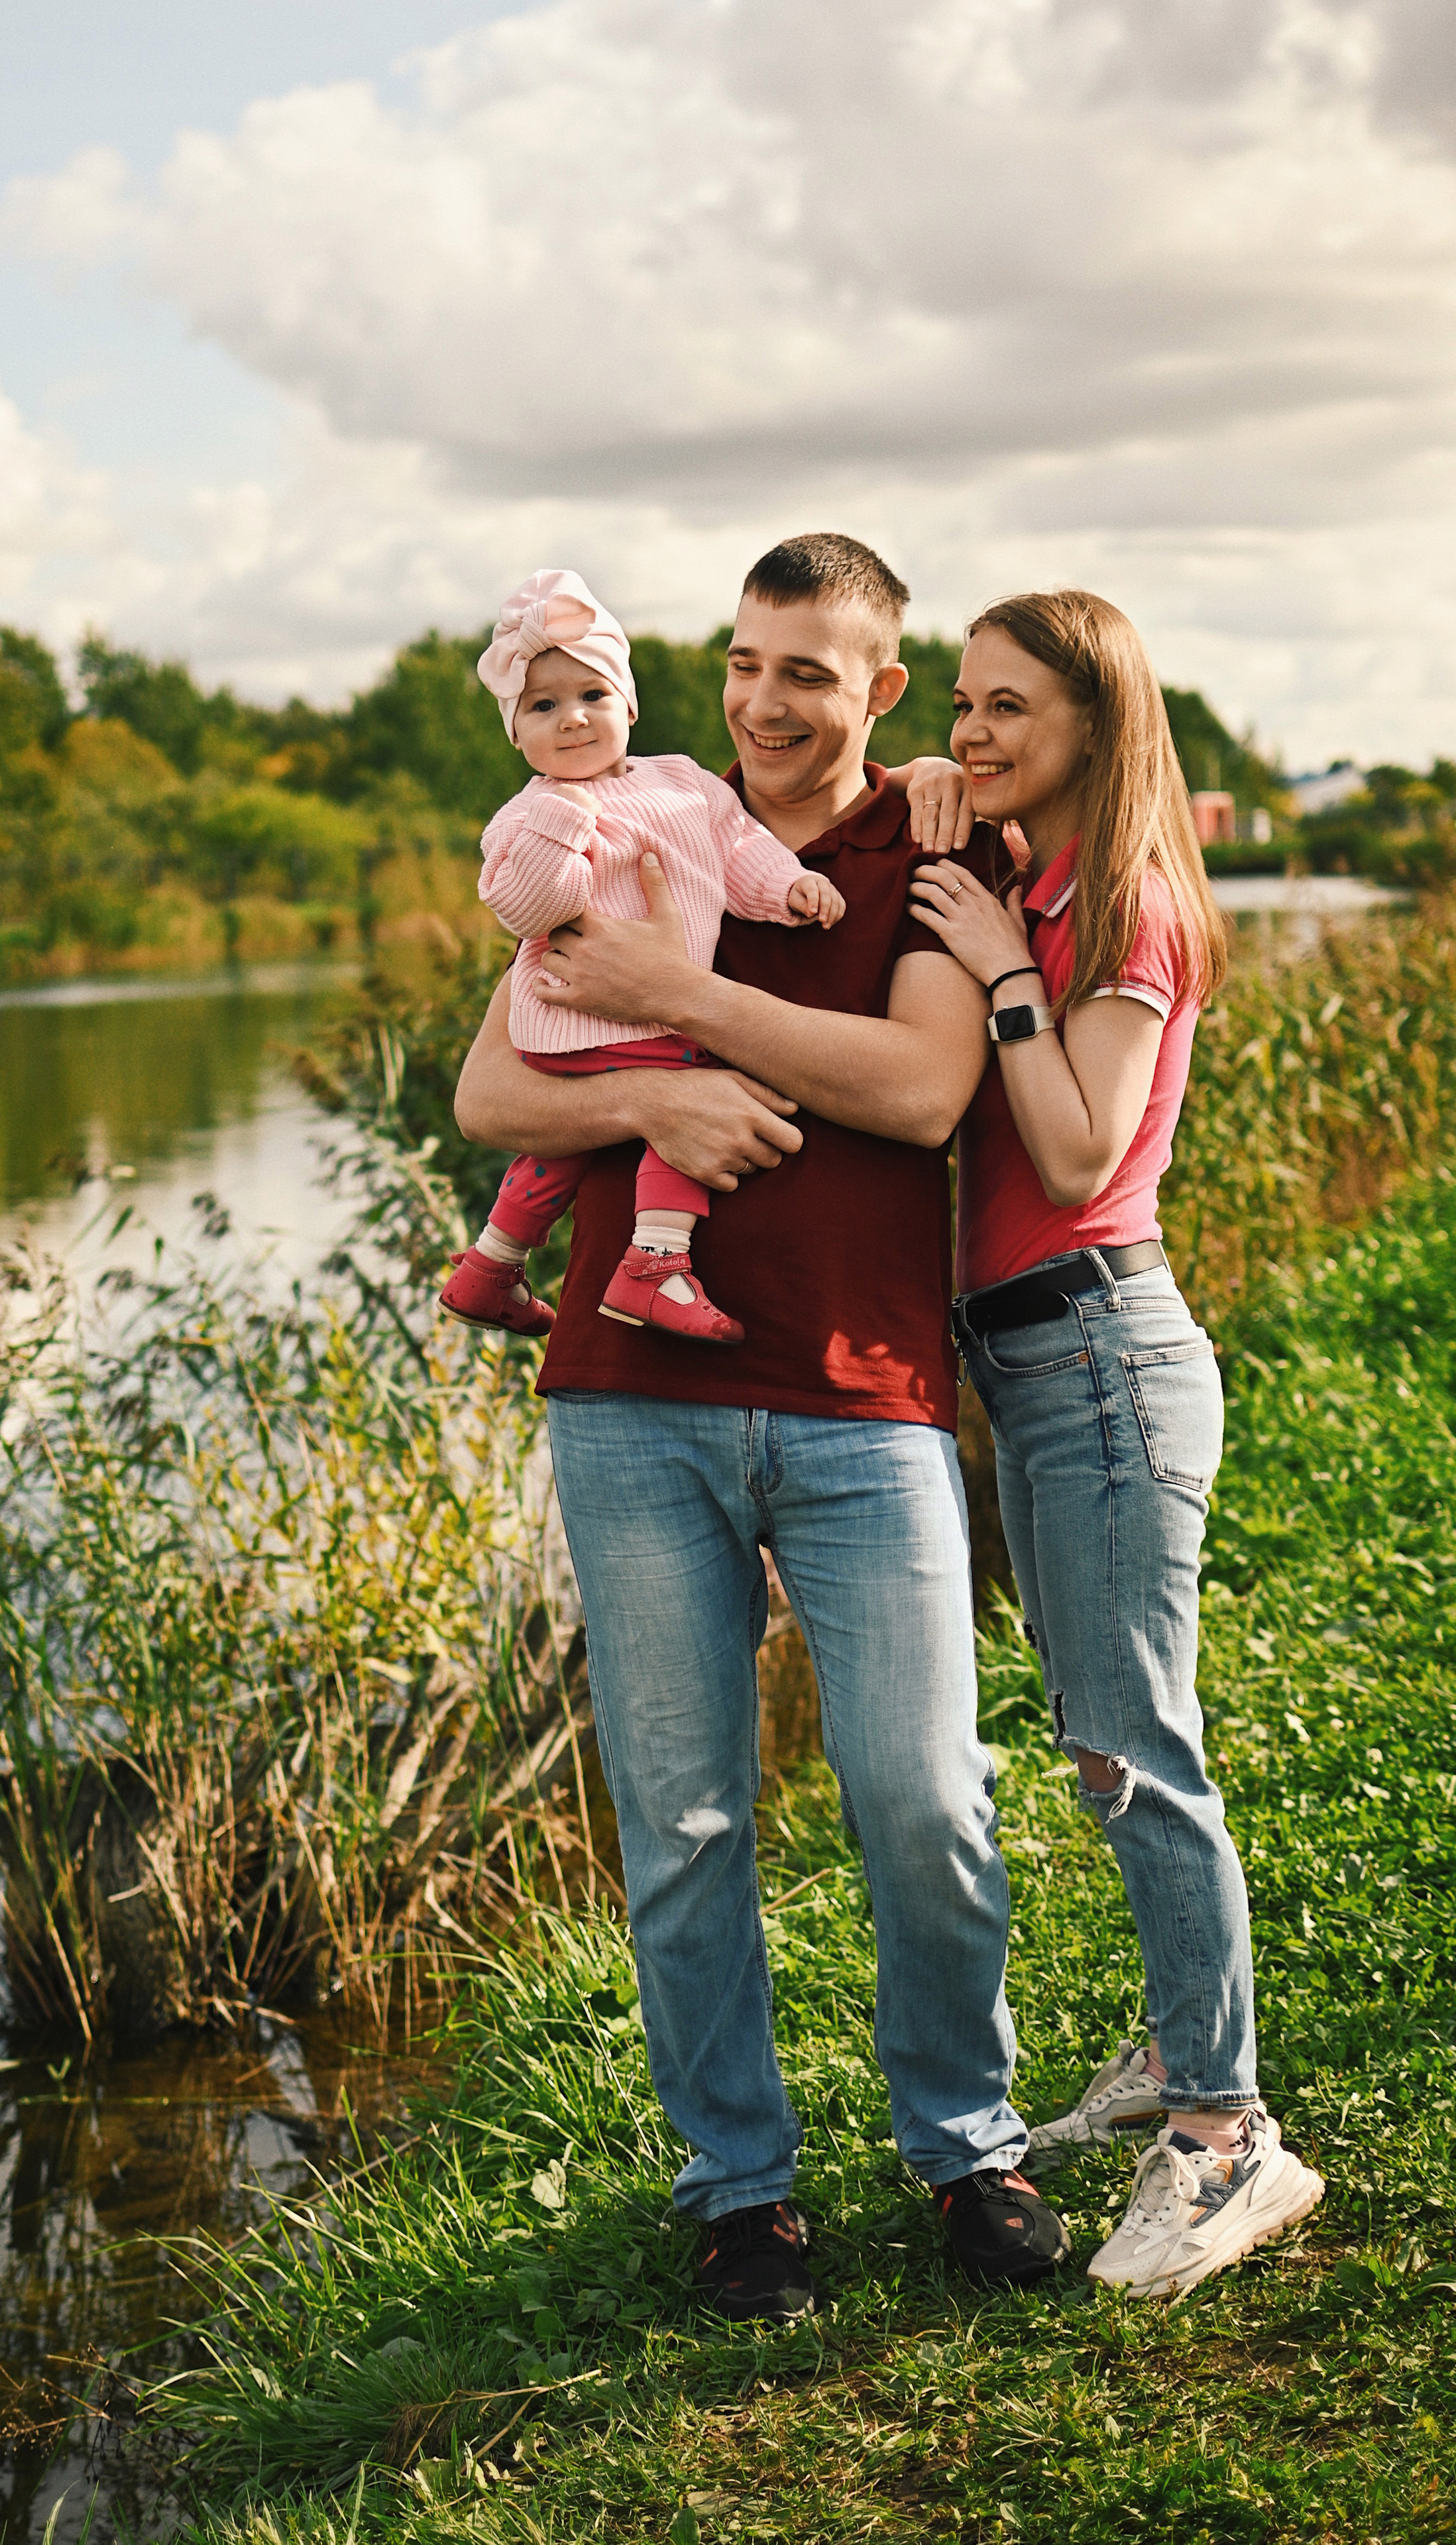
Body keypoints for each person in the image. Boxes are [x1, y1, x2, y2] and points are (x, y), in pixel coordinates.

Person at [455, 532, 1072, 2318]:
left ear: (882, 689)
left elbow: (923, 1086)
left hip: (867, 1395)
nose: (764, 701)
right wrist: (653, 1088)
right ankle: (742, 2194)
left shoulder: (941, 845)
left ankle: (968, 2148)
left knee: (925, 1795)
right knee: (689, 1820)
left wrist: (681, 1009)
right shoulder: (627, 808)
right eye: (742, 661)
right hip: (632, 1404)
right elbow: (501, 1079)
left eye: (810, 670)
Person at [907, 587, 1325, 2298]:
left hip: (1098, 1346)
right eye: (961, 702)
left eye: (1012, 708)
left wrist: (1004, 973)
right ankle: (1175, 2044)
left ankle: (1228, 2140)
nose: (977, 732)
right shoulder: (1045, 875)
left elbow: (1077, 1156)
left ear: (1097, 721)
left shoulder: (1127, 906)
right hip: (1039, 1359)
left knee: (1139, 1747)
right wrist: (960, 831)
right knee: (1100, 1736)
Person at [439, 569, 845, 1349]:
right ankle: (655, 1262)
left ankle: (490, 1265)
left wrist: (787, 886)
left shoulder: (683, 783)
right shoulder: (531, 814)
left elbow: (734, 849)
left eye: (592, 697)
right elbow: (529, 908)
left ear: (628, 704)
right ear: (517, 734)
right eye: (543, 707)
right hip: (584, 1011)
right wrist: (563, 819)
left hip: (621, 1019)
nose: (573, 721)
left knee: (565, 1145)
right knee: (688, 1090)